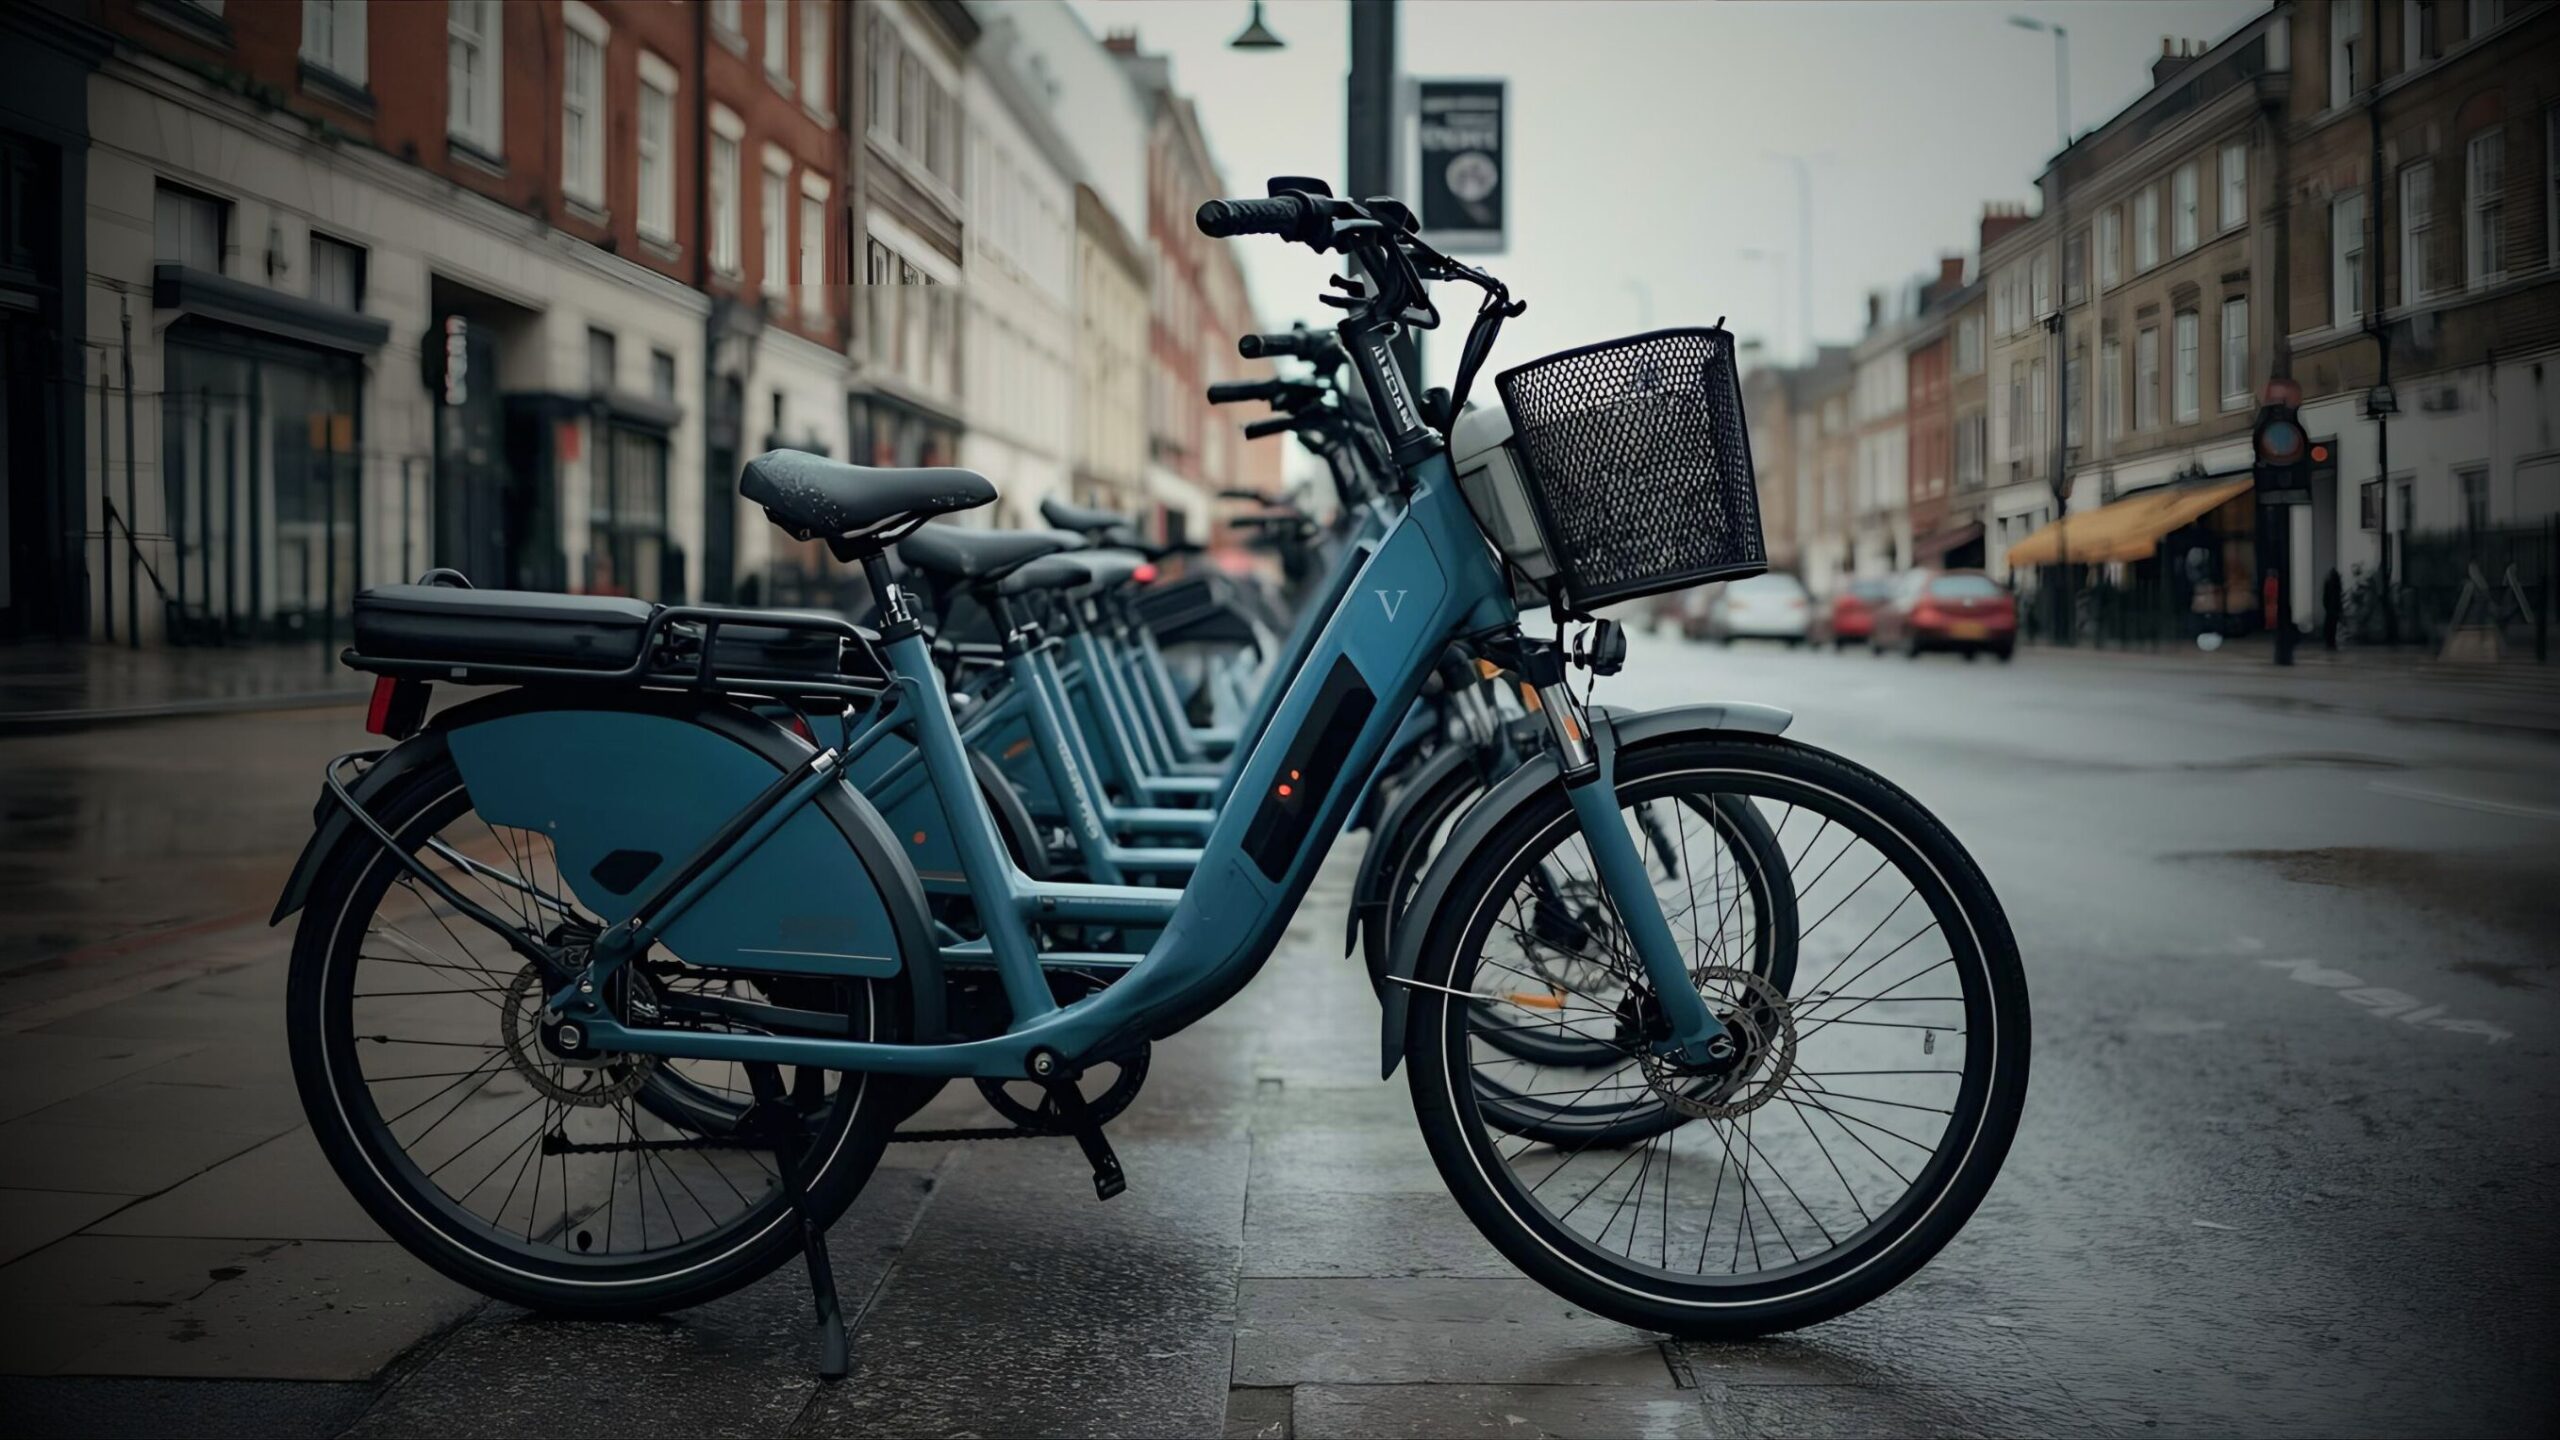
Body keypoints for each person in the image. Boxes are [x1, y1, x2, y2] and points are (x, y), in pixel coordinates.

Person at [2321, 567, 2343, 650]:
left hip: (2330, 608)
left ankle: (2329, 642)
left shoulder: (2328, 583)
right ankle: (2331, 642)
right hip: (2334, 608)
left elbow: (2325, 598)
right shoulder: (2337, 585)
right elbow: (2338, 598)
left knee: (2329, 626)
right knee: (2333, 626)